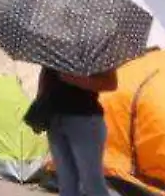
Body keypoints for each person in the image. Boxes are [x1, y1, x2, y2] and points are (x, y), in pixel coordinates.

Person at [33, 67, 117, 196]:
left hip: (85, 120)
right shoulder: (54, 49)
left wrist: (76, 80)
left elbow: (111, 83)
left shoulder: (95, 49)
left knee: (91, 183)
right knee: (66, 182)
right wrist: (38, 106)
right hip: (55, 119)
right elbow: (45, 73)